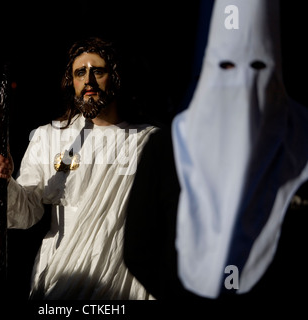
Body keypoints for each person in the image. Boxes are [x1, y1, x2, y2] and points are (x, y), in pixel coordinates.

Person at [124, 0, 308, 306]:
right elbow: (138, 248)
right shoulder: (170, 146)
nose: (244, 85)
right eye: (227, 67)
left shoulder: (300, 146)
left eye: (258, 67)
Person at [0, 37, 158, 300]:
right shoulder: (49, 137)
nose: (88, 81)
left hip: (124, 281)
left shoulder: (148, 141)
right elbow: (26, 213)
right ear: (72, 82)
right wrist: (4, 183)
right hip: (64, 275)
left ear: (115, 77)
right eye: (80, 73)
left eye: (97, 71)